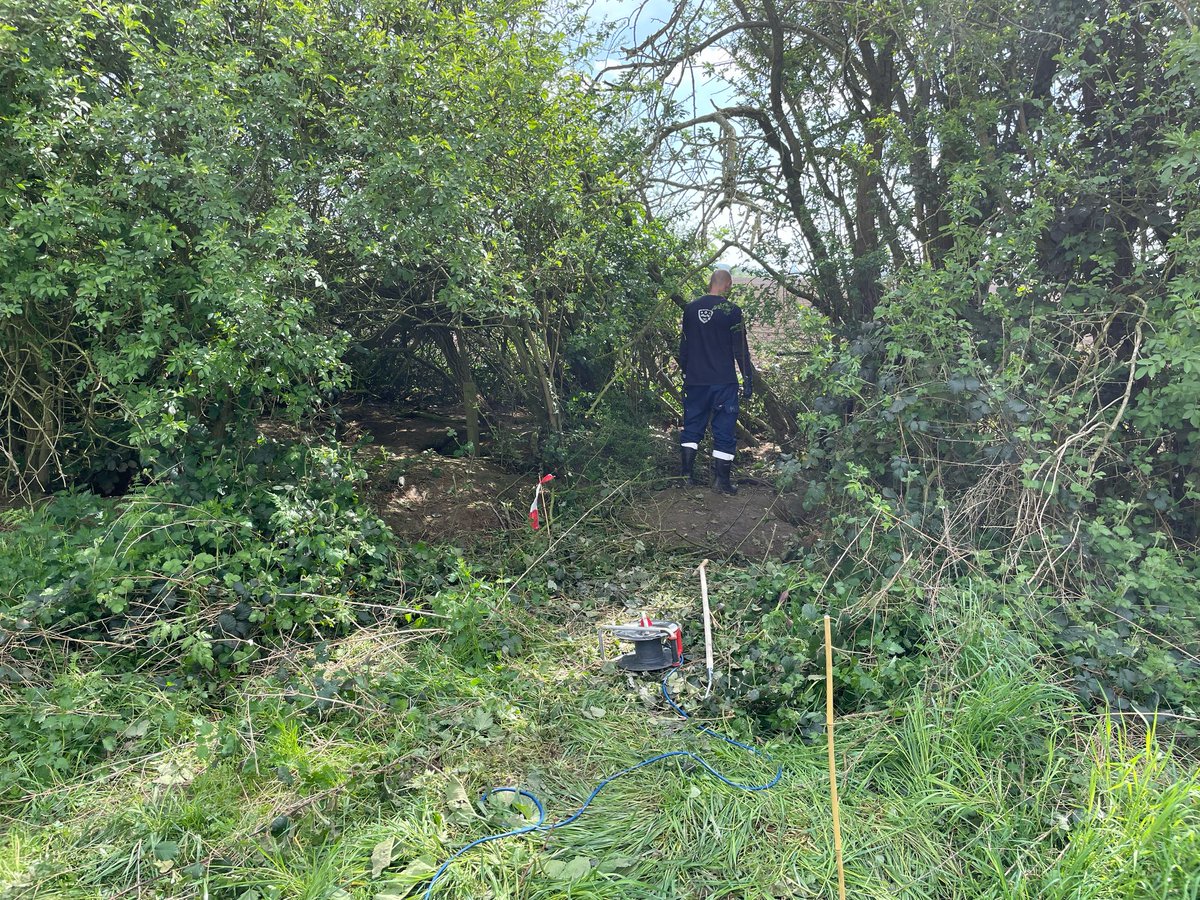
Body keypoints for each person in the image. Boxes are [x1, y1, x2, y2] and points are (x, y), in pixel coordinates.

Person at [677, 268, 754, 495]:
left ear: (710, 283)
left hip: (696, 381)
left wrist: (687, 371)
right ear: (727, 284)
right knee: (724, 431)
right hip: (723, 382)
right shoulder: (732, 311)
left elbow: (684, 346)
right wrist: (747, 379)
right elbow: (740, 349)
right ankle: (721, 483)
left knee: (692, 428)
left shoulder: (690, 309)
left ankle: (686, 478)